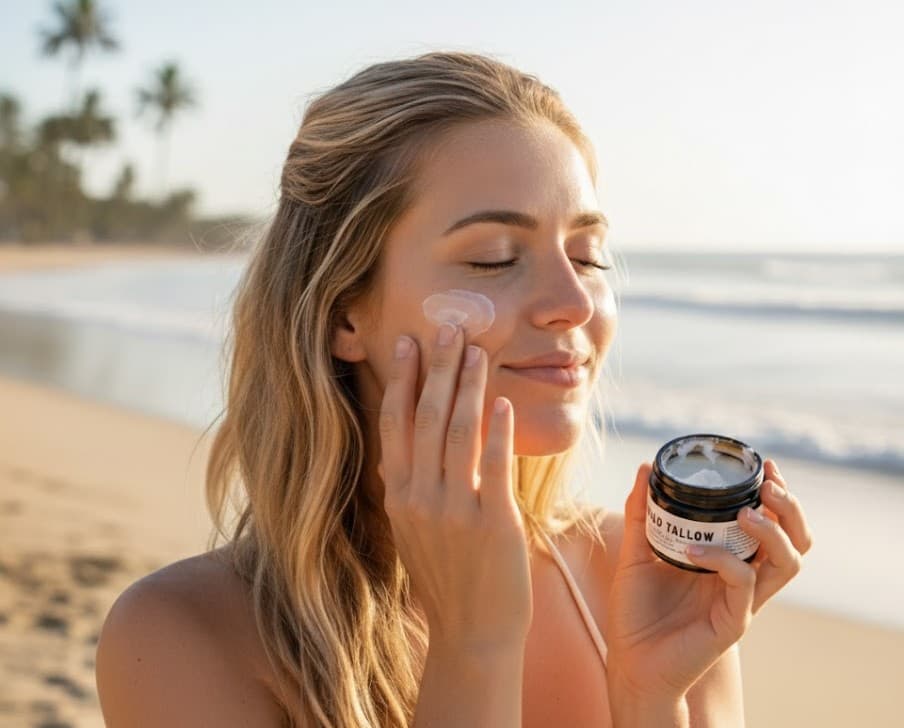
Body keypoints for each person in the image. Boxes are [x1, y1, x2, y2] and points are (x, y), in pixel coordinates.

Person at [95, 51, 812, 727]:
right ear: (345, 309)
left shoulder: (638, 574)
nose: (575, 300)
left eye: (588, 255)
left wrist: (652, 698)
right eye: (495, 258)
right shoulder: (181, 635)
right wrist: (475, 647)